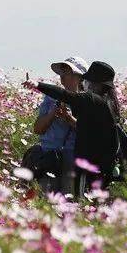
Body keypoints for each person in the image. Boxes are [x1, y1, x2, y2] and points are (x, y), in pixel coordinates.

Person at [23, 61, 120, 196]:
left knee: (69, 200)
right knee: (74, 200)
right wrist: (65, 117)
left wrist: (38, 85)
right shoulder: (109, 103)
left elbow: (65, 95)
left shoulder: (92, 100)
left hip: (83, 163)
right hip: (98, 166)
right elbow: (89, 130)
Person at [32, 57, 88, 194]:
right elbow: (38, 129)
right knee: (46, 202)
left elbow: (89, 133)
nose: (62, 77)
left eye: (67, 72)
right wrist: (53, 114)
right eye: (62, 73)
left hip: (73, 159)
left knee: (69, 201)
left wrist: (68, 118)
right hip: (49, 156)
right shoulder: (51, 98)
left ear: (79, 77)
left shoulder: (88, 101)